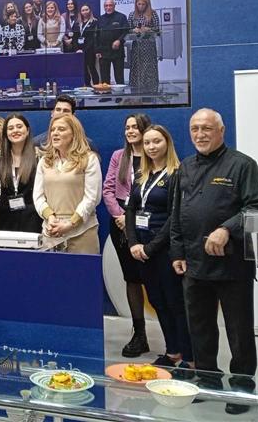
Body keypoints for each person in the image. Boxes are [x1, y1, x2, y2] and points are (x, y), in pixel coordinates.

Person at [169, 109, 258, 413]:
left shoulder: (243, 165)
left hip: (232, 264)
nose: (200, 134)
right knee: (200, 328)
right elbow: (177, 213)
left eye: (207, 128)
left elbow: (256, 208)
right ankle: (208, 379)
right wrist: (177, 252)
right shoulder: (185, 166)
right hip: (194, 263)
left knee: (239, 330)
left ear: (221, 131)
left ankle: (242, 388)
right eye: (195, 128)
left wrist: (227, 229)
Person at [126, 125, 193, 371]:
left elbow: (175, 216)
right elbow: (131, 209)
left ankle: (189, 357)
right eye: (147, 143)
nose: (151, 147)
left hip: (164, 250)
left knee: (175, 303)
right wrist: (133, 242)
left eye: (157, 141)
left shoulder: (176, 174)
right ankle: (172, 352)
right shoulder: (142, 175)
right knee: (157, 301)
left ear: (167, 143)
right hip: (141, 250)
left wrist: (151, 247)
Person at [103, 113, 152, 358]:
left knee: (154, 279)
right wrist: (120, 216)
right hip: (121, 223)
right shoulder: (119, 156)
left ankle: (173, 338)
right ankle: (139, 334)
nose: (131, 131)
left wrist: (132, 219)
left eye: (135, 127)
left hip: (150, 221)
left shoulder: (155, 154)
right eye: (127, 127)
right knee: (132, 278)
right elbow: (108, 190)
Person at [34, 114, 101, 254]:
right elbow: (38, 196)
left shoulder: (89, 159)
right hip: (51, 231)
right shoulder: (44, 161)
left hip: (82, 232)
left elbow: (92, 197)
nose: (55, 133)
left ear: (74, 133)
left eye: (61, 129)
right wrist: (50, 217)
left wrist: (71, 223)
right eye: (53, 130)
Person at [0, 114, 42, 234]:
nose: (15, 130)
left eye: (19, 126)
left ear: (27, 130)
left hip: (33, 221)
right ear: (6, 133)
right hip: (5, 222)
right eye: (10, 128)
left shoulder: (40, 157)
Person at [32, 95, 98, 153]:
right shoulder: (37, 143)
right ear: (52, 113)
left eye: (66, 111)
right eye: (58, 110)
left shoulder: (87, 145)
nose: (61, 113)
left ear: (73, 116)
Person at [127, 0, 160, 93]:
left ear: (147, 4)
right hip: (137, 45)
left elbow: (157, 29)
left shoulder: (153, 14)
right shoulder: (132, 14)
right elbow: (128, 29)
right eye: (139, 4)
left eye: (143, 4)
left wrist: (148, 29)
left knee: (148, 67)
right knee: (136, 66)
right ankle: (135, 90)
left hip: (149, 45)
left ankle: (150, 90)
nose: (140, 6)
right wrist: (134, 30)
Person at [98, 0, 129, 85]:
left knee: (119, 77)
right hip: (104, 52)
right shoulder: (100, 19)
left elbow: (126, 31)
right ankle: (106, 93)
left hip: (117, 51)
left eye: (110, 5)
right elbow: (96, 36)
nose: (108, 7)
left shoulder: (121, 17)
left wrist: (119, 40)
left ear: (114, 6)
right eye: (106, 6)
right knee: (104, 78)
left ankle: (120, 94)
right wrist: (97, 51)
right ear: (104, 7)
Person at [77, 3, 99, 86]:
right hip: (80, 51)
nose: (85, 12)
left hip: (90, 50)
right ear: (80, 12)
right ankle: (87, 86)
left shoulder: (94, 22)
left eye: (86, 10)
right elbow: (76, 37)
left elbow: (93, 38)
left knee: (92, 67)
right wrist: (78, 49)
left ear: (90, 11)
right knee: (84, 69)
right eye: (83, 10)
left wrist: (85, 49)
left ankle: (96, 86)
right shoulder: (78, 23)